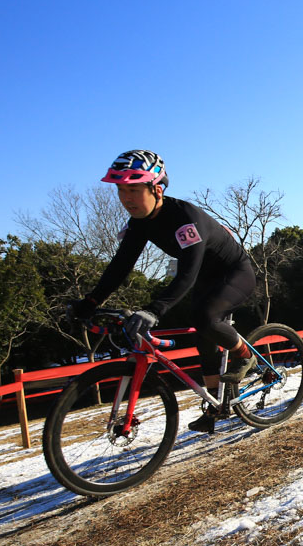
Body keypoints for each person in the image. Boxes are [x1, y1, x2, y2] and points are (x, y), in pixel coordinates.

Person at [70, 150, 258, 434]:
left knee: (206, 317)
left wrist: (154, 310)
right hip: (206, 278)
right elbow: (119, 267)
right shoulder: (139, 224)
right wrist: (91, 301)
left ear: (156, 189)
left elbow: (187, 273)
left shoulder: (185, 218)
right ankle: (216, 406)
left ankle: (246, 355)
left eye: (133, 189)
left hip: (235, 272)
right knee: (203, 337)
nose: (126, 198)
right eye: (121, 190)